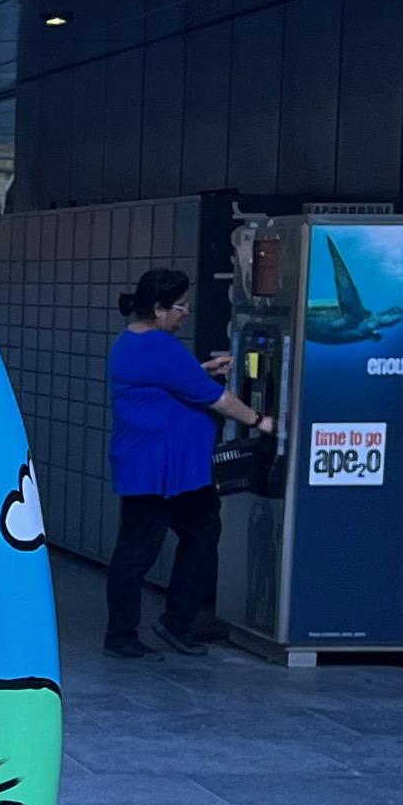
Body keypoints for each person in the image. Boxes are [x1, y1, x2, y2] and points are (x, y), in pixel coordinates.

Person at [104, 267, 264, 655]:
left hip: (174, 469)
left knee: (200, 534)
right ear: (158, 309)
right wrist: (263, 421)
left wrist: (201, 370)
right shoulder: (160, 348)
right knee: (138, 552)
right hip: (158, 469)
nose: (185, 313)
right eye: (180, 307)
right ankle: (125, 635)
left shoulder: (133, 342)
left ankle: (175, 623)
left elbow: (167, 381)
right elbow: (218, 400)